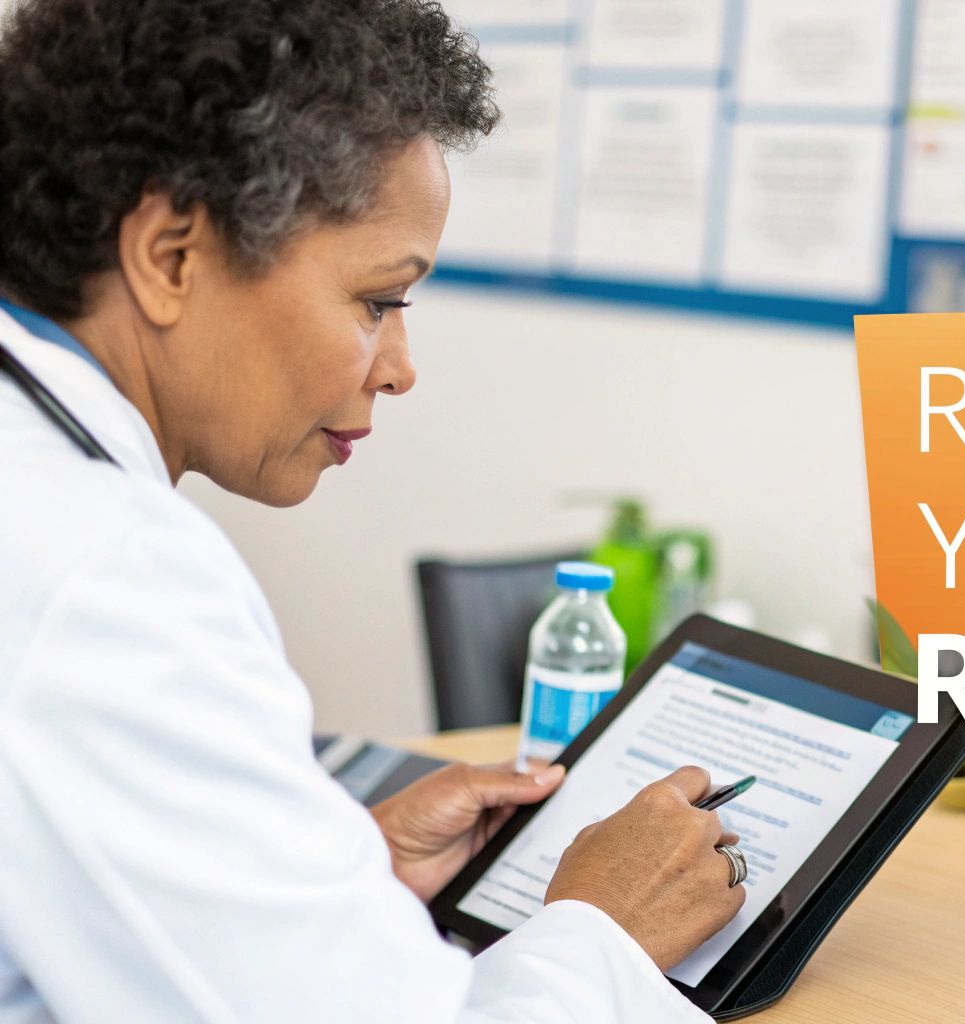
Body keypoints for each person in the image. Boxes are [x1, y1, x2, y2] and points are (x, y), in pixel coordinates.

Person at [0, 1, 739, 1020]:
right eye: (378, 301)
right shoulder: (105, 579)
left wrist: (334, 878)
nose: (399, 368)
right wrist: (603, 929)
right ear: (171, 256)